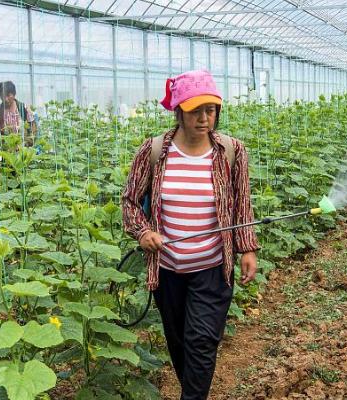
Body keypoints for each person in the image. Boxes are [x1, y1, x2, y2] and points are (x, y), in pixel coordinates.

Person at [121, 70, 260, 400]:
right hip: (168, 271)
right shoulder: (154, 151)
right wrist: (143, 232)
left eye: (210, 110)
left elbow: (242, 202)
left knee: (201, 341)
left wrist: (247, 249)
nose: (204, 118)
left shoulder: (230, 152)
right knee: (181, 344)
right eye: (196, 110)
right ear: (179, 110)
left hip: (212, 268)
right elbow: (129, 201)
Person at [0, 81, 37, 146]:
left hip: (22, 147)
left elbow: (33, 127)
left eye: (8, 95)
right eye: (2, 96)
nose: (6, 99)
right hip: (4, 148)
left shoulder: (23, 108)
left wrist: (28, 143)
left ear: (14, 94)